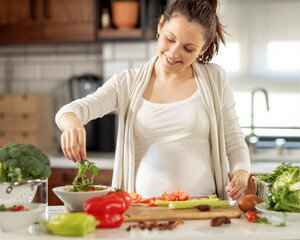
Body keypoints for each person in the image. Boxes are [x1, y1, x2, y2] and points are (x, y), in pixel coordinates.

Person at [55, 0, 250, 201]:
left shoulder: (215, 78)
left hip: (203, 210)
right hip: (143, 212)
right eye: (170, 39)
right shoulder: (127, 83)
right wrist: (72, 124)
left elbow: (234, 142)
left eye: (188, 48)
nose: (174, 53)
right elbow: (72, 110)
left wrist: (240, 177)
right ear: (160, 25)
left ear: (203, 48)